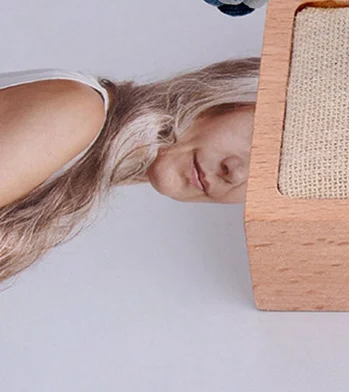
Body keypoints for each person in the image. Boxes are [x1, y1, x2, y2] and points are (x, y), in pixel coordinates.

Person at [0, 57, 260, 283]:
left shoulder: (84, 163)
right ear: (225, 97)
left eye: (268, 178)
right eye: (256, 137)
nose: (236, 173)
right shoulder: (79, 111)